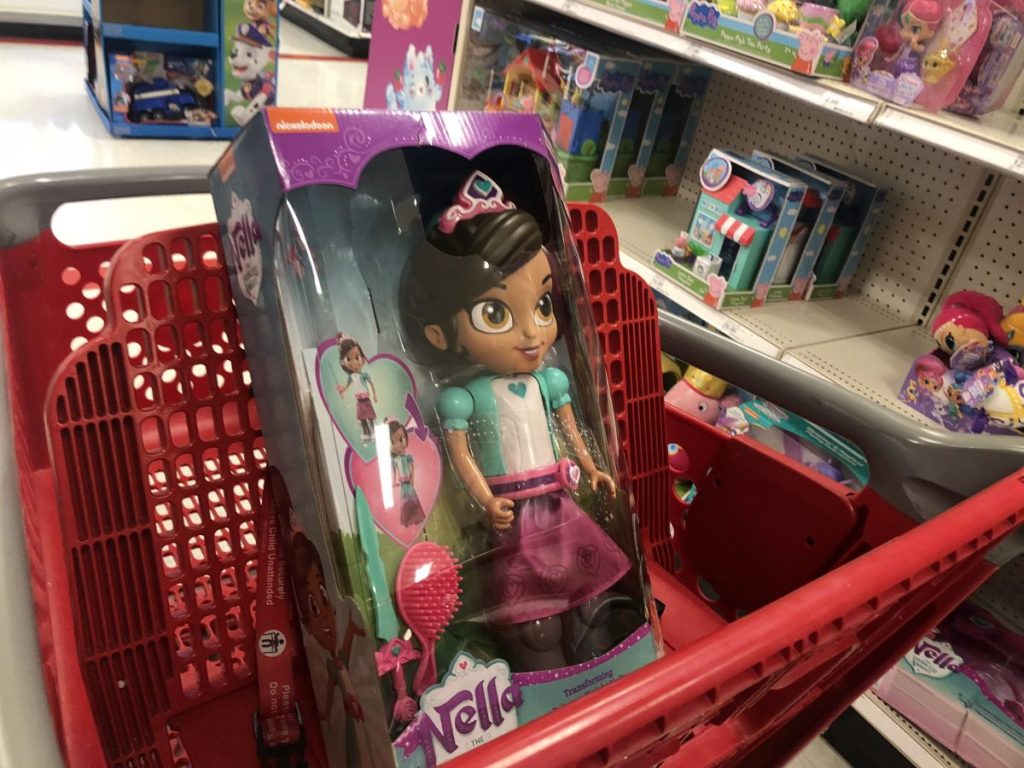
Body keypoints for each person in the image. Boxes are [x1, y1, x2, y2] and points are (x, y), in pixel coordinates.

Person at [399, 170, 635, 671]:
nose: (532, 332)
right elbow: (461, 457)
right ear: (440, 335)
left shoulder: (549, 381)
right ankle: (547, 682)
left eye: (543, 305)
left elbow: (571, 430)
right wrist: (487, 501)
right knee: (535, 625)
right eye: (495, 314)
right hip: (513, 517)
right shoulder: (463, 398)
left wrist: (592, 467)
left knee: (589, 602)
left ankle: (599, 671)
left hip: (559, 504)